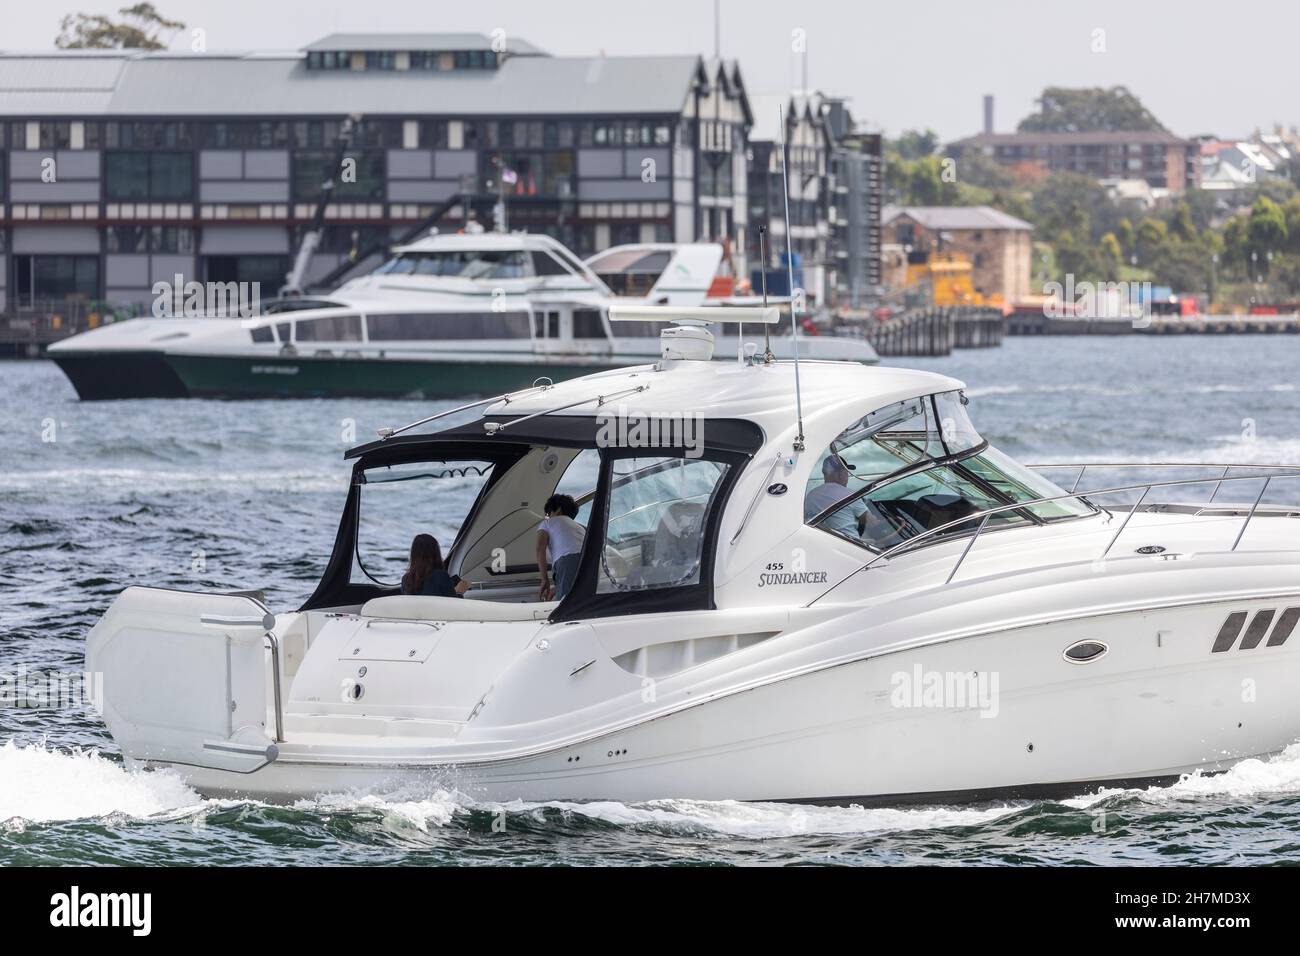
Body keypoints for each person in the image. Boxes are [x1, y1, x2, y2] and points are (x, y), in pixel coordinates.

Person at [536, 493, 587, 601]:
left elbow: (540, 549)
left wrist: (544, 579)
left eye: (548, 513)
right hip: (589, 560)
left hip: (568, 560)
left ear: (558, 510)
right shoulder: (579, 527)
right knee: (582, 598)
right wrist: (557, 589)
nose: (548, 516)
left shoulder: (548, 523)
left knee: (567, 605)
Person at [401, 533, 470, 598]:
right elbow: (453, 606)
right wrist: (459, 592)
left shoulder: (405, 579)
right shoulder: (440, 576)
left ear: (413, 554)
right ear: (436, 553)